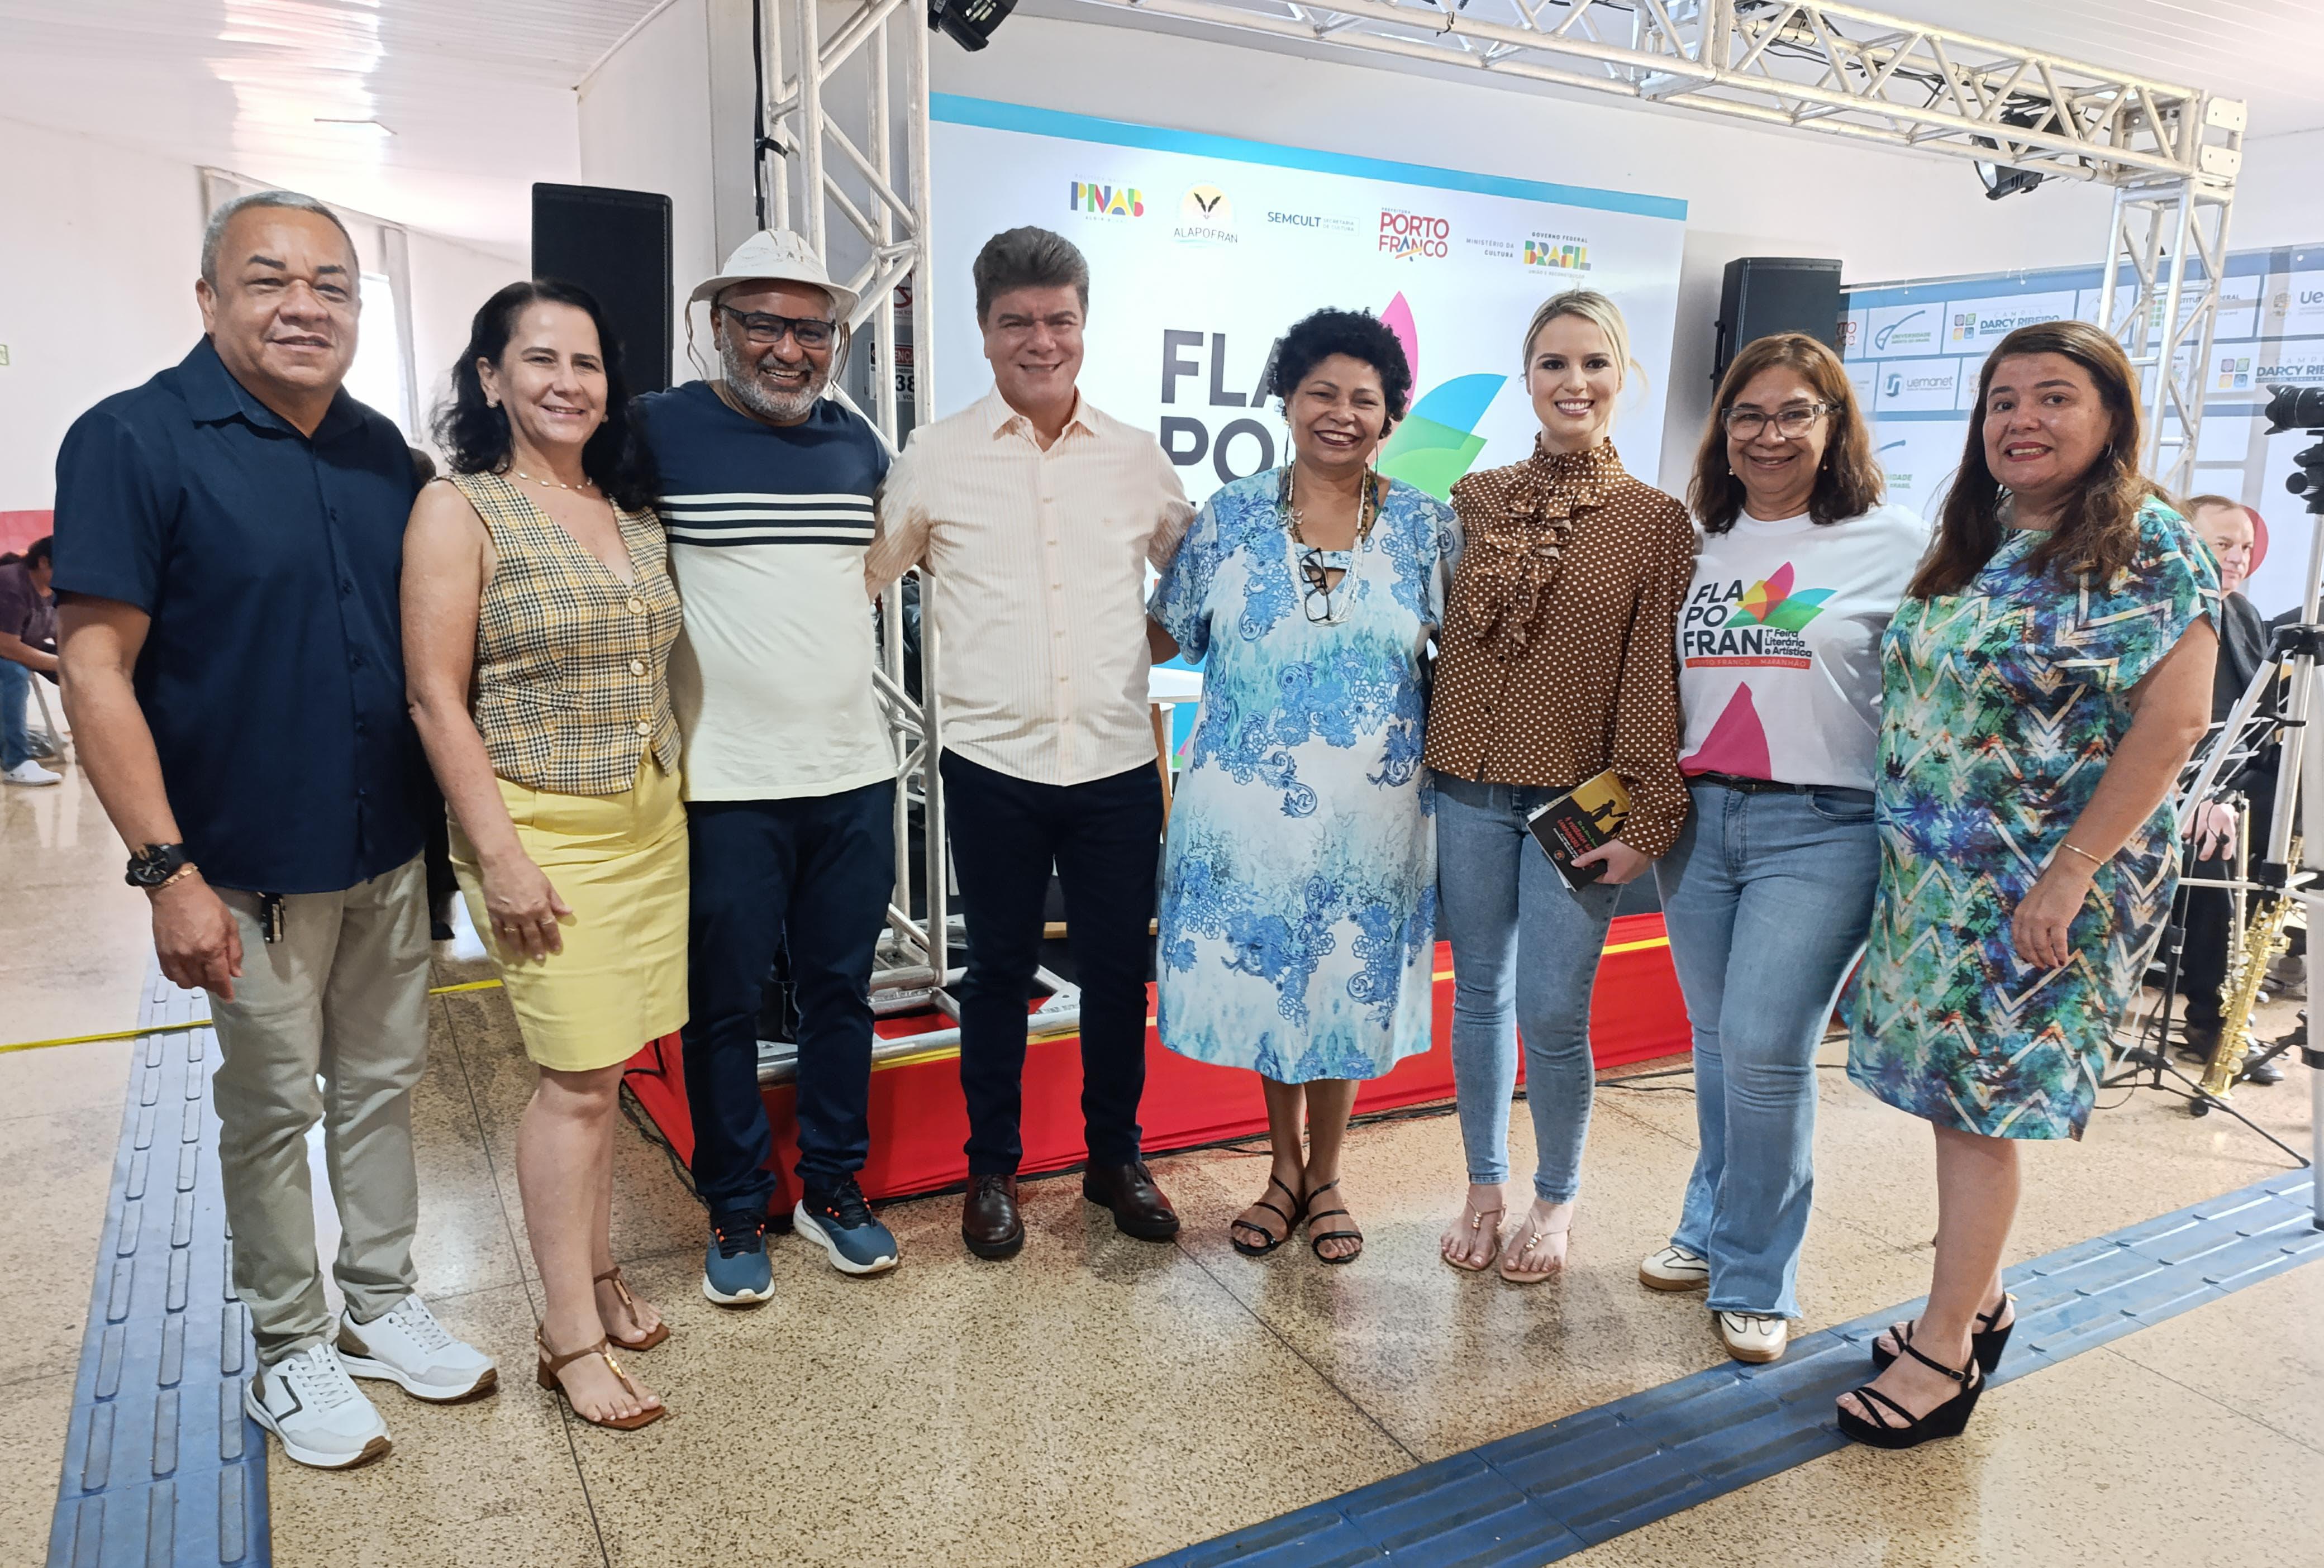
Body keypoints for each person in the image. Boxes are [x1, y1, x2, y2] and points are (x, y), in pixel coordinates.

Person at [53, 190, 496, 1471]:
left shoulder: (382, 457)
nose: (305, 305)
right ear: (209, 298)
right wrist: (166, 872)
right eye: (268, 279)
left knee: (381, 1089)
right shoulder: (133, 440)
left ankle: (381, 1303)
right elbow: (95, 672)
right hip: (244, 867)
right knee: (267, 1109)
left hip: (386, 853)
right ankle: (290, 1345)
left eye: (332, 285)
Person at [1839, 320, 2216, 1448]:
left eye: (2054, 396)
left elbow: (2174, 721)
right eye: (2003, 399)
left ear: (2110, 416)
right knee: (1952, 1100)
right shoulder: (1985, 534)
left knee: (1977, 1110)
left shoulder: (2147, 543)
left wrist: (2069, 873)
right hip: (1938, 885)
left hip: (2043, 886)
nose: (2022, 419)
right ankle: (1979, 1299)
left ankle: (1945, 1349)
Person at [866, 227, 1194, 1260]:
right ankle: (992, 1170)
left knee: (1117, 975)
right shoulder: (935, 456)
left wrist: (1128, 648)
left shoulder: (1135, 457)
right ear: (983, 330)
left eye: (1059, 320)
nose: (1040, 341)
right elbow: (867, 575)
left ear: (1084, 325)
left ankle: (1115, 1159)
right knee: (999, 975)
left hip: (1114, 762)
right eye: (1017, 322)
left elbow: (1192, 590)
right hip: (992, 767)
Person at [403, 280, 683, 1432]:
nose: (567, 382)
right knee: (573, 1081)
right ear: (490, 376)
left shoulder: (627, 508)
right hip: (541, 830)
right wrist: (501, 855)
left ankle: (601, 1271)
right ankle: (567, 1333)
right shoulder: (457, 509)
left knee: (607, 1070)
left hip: (649, 820)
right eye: (540, 359)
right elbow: (435, 696)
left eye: (587, 361)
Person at [1147, 309, 1456, 1265]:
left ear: (1390, 415)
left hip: (1375, 811)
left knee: (1342, 992)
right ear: (1287, 398)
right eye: (1322, 391)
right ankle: (1283, 1168)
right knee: (1273, 980)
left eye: (1365, 398)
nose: (1341, 413)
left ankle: (1327, 1174)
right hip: (1246, 812)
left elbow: (1471, 661)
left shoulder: (1427, 527)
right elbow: (1165, 633)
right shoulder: (1231, 515)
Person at [1645, 333, 1929, 1363]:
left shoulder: (1897, 542)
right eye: (1748, 414)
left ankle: (1756, 1273)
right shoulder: (1695, 541)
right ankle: (1711, 1221)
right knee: (1720, 1042)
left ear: (1835, 423)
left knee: (1767, 1048)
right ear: (1722, 427)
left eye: (1795, 413)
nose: (1769, 435)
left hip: (1823, 824)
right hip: (1699, 819)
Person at [632, 230, 902, 1304]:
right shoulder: (655, 431)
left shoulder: (857, 446)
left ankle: (832, 1188)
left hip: (853, 774)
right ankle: (736, 1201)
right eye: (763, 323)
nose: (788, 349)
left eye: (812, 330)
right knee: (724, 1005)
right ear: (717, 326)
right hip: (724, 786)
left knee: (842, 992)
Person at [1428, 288, 1694, 1284]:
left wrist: (1646, 811)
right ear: (1528, 376)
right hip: (1467, 780)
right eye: (1553, 363)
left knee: (1550, 1008)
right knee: (1478, 996)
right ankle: (1484, 1186)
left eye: (1593, 363)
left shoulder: (1655, 521)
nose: (1573, 382)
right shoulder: (1475, 497)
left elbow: (1653, 675)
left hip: (1578, 802)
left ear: (1624, 376)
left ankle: (1556, 1196)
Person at [2176, 495, 2283, 1075]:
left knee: (2297, 819)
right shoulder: (2163, 612)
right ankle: (2213, 1020)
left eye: (2244, 546)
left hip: (2227, 779)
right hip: (2166, 787)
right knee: (2215, 855)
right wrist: (2202, 796)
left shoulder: (2241, 613)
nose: (2238, 557)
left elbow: (2260, 720)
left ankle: (2257, 981)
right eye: (2223, 544)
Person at [0, 535, 61, 785]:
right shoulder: (11, 583)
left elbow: (62, 636)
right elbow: (8, 647)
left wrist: (75, 663)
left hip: (25, 644)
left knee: (85, 670)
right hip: (6, 649)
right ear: (44, 562)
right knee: (14, 673)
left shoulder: (59, 590)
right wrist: (62, 665)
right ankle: (16, 763)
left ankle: (90, 744)